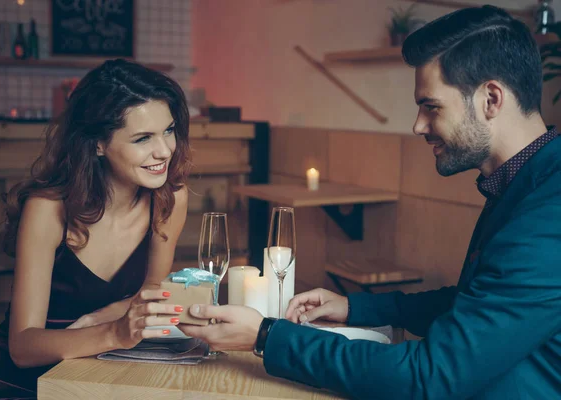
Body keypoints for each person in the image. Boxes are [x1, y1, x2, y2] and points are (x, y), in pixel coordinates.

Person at [180, 6, 561, 399]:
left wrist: (265, 335)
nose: (417, 125)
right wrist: (355, 308)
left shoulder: (550, 213)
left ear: (491, 99)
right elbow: (481, 304)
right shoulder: (528, 180)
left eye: (431, 107)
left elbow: (428, 376)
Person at [0, 59, 191, 399]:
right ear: (97, 144)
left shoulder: (170, 199)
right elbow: (22, 348)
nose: (164, 151)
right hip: (20, 384)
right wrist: (114, 331)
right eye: (143, 138)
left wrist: (102, 317)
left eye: (168, 130)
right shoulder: (48, 209)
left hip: (102, 373)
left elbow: (150, 293)